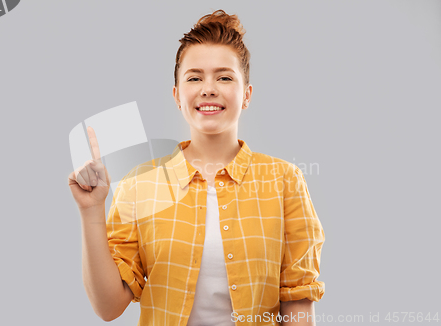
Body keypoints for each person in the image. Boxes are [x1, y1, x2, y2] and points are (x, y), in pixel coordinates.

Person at [68, 9, 325, 326]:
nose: (209, 88)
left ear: (246, 94)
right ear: (177, 95)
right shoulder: (139, 184)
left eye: (225, 77)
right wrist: (91, 210)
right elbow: (108, 307)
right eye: (194, 77)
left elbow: (297, 303)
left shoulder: (285, 180)